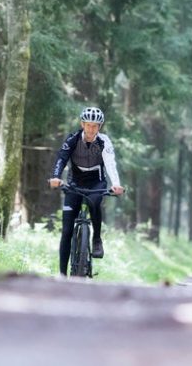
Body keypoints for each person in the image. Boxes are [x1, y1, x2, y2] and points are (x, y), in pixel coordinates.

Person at [49, 106, 125, 276]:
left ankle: (96, 238)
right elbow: (61, 158)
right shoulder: (73, 139)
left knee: (96, 202)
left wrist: (116, 184)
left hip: (96, 183)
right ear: (82, 124)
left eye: (95, 126)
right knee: (67, 230)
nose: (91, 129)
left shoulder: (104, 141)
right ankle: (62, 275)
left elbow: (111, 163)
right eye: (88, 125)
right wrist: (56, 177)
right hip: (75, 183)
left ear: (100, 127)